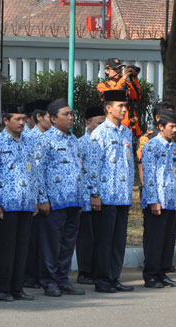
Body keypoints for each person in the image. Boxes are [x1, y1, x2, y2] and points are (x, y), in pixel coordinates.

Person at [0, 104, 39, 302]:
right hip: (6, 204)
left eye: (24, 119)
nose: (22, 123)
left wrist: (35, 199)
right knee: (6, 249)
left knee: (22, 248)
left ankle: (18, 288)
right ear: (6, 120)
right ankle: (4, 289)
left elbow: (33, 172)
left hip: (25, 202)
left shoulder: (28, 142)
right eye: (17, 119)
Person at [35, 99, 85, 297]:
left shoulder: (74, 140)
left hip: (73, 200)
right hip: (54, 201)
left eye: (71, 114)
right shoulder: (45, 140)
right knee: (51, 243)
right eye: (66, 114)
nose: (71, 118)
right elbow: (38, 172)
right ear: (54, 118)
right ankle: (48, 281)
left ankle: (63, 279)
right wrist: (42, 199)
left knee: (67, 243)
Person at [87, 90, 135, 293]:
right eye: (119, 106)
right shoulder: (99, 133)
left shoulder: (127, 132)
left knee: (118, 241)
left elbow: (129, 163)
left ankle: (114, 277)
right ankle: (102, 279)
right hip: (105, 196)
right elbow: (92, 166)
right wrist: (94, 194)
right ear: (108, 108)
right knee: (104, 241)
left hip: (122, 195)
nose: (124, 109)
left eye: (125, 106)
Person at [141, 109, 176, 288]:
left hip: (171, 199)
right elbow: (148, 175)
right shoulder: (152, 146)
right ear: (161, 127)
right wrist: (153, 200)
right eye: (171, 126)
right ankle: (151, 275)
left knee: (168, 239)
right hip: (157, 200)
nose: (175, 130)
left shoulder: (174, 147)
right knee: (155, 240)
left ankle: (162, 272)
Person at [23, 99, 52, 289]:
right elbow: (34, 172)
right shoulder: (31, 139)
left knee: (45, 240)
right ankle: (29, 276)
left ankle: (42, 275)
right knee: (31, 240)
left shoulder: (53, 138)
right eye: (50, 116)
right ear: (38, 117)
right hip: (34, 198)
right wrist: (39, 198)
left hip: (51, 197)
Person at [76, 106, 105, 285]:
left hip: (104, 196)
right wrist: (91, 194)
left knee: (100, 236)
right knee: (86, 237)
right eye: (98, 123)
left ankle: (97, 270)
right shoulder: (81, 143)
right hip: (87, 197)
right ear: (88, 124)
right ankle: (84, 272)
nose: (102, 127)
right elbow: (80, 173)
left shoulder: (104, 141)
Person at [96, 58, 142, 137]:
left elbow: (136, 97)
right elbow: (114, 97)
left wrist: (134, 79)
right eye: (115, 69)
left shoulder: (127, 84)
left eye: (120, 68)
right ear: (107, 70)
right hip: (113, 128)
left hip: (131, 128)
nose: (118, 71)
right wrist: (123, 78)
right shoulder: (102, 86)